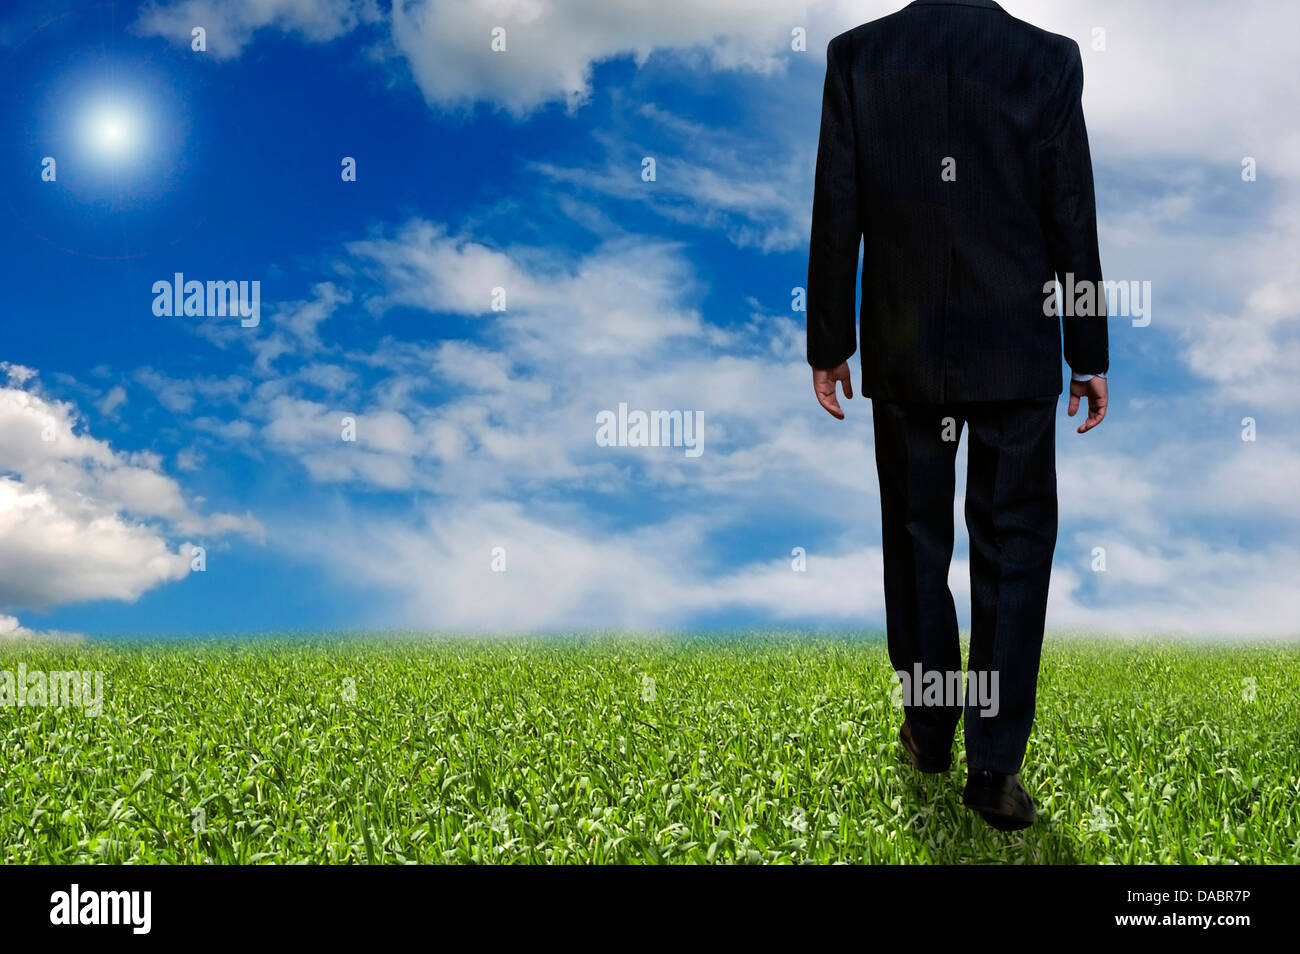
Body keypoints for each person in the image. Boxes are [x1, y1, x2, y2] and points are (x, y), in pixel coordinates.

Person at [806, 0, 1109, 831]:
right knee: (1012, 555)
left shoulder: (859, 58)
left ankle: (930, 727)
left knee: (914, 544)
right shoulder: (1046, 60)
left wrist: (828, 341)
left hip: (904, 351)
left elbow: (839, 212)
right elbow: (1070, 215)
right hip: (1015, 349)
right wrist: (1089, 349)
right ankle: (994, 768)